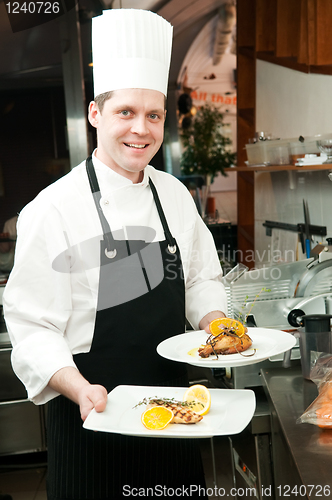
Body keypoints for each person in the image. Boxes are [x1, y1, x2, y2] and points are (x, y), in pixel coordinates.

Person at [3, 9, 227, 499]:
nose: (140, 130)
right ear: (95, 114)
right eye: (125, 112)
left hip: (176, 412)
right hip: (93, 419)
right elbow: (33, 328)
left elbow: (200, 279)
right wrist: (78, 389)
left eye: (153, 115)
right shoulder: (53, 208)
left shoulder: (174, 196)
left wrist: (217, 326)